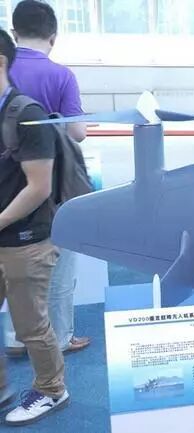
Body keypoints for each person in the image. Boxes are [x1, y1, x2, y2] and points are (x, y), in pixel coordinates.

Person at [4, 0, 89, 357]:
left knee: (10, 263)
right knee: (60, 260)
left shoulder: (6, 70)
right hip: (48, 184)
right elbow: (77, 132)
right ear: (53, 36)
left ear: (14, 33)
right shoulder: (60, 75)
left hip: (6, 185)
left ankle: (16, 336)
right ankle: (61, 335)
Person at [0, 27, 69, 426]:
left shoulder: (27, 114)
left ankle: (51, 390)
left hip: (25, 239)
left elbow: (38, 187)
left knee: (31, 327)